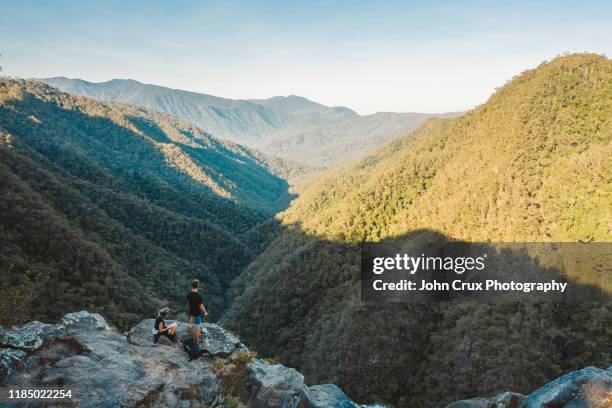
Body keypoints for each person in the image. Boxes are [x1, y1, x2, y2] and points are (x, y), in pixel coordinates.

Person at [187, 279, 208, 344]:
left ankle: (190, 326)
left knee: (192, 316)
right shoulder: (198, 295)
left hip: (191, 309)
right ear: (197, 286)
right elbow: (201, 305)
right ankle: (196, 339)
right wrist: (205, 312)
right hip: (197, 312)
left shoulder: (189, 294)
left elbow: (189, 302)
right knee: (197, 325)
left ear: (192, 285)